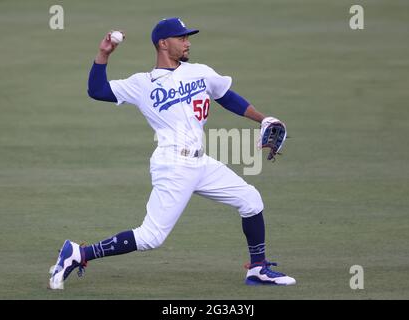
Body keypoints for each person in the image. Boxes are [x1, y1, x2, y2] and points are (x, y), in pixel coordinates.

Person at [49, 17, 296, 290]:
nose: (187, 42)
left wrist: (263, 119)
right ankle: (79, 253)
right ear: (163, 44)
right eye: (182, 38)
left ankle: (258, 269)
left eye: (187, 37)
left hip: (201, 163)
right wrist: (103, 54)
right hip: (173, 164)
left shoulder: (199, 72)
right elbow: (97, 90)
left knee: (250, 199)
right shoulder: (142, 83)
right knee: (151, 237)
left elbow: (226, 96)